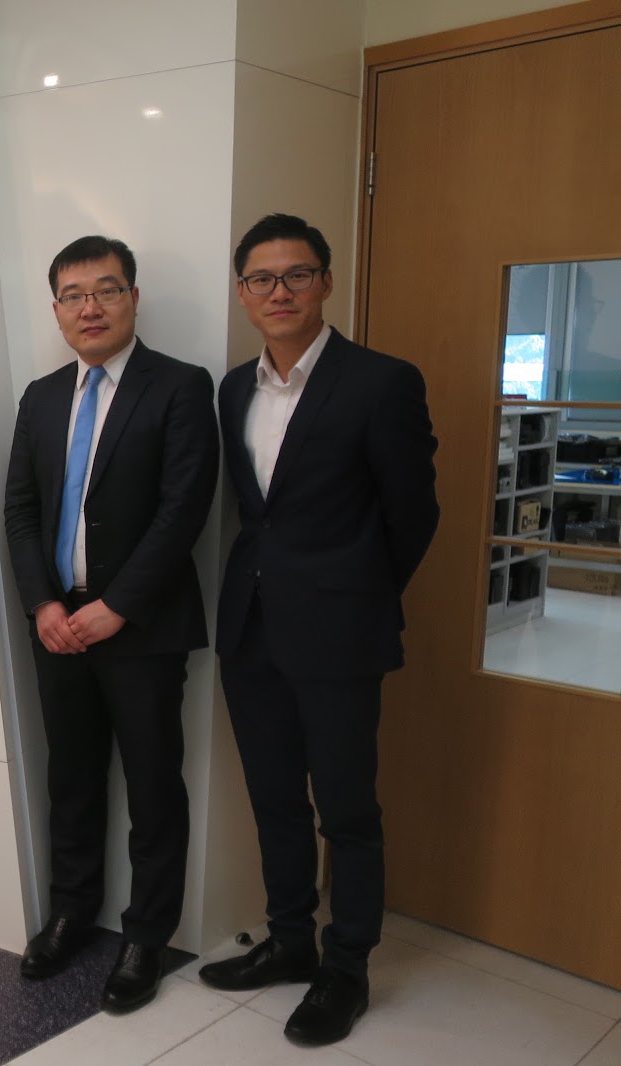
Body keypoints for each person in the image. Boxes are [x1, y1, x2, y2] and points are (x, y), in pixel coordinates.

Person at [198, 214, 438, 1047]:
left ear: (326, 283)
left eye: (296, 274)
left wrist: (356, 592)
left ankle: (347, 967)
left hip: (340, 633)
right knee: (273, 801)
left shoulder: (381, 382)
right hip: (252, 627)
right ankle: (291, 940)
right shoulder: (234, 388)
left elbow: (414, 515)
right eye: (261, 279)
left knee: (346, 809)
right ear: (242, 293)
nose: (279, 292)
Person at [3, 236, 219, 1012]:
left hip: (142, 626)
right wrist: (44, 604)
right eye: (73, 295)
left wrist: (118, 605)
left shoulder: (181, 386)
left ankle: (146, 936)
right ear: (56, 308)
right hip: (58, 625)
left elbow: (183, 509)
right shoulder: (41, 396)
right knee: (71, 775)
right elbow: (21, 509)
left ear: (133, 297)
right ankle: (72, 912)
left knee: (154, 784)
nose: (89, 307)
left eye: (106, 290)